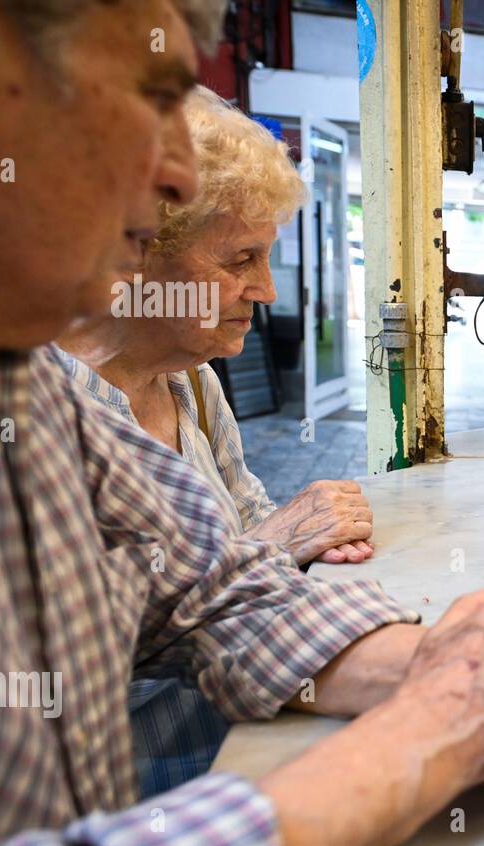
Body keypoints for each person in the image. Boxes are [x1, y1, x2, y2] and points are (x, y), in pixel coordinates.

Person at [0, 0, 484, 846]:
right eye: (152, 91)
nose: (170, 171)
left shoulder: (32, 388)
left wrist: (466, 658)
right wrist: (430, 731)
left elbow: (214, 596)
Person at [57, 85, 373, 567]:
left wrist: (307, 535)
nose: (267, 291)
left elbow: (248, 516)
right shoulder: (40, 416)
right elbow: (85, 631)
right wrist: (275, 544)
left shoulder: (192, 383)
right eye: (242, 259)